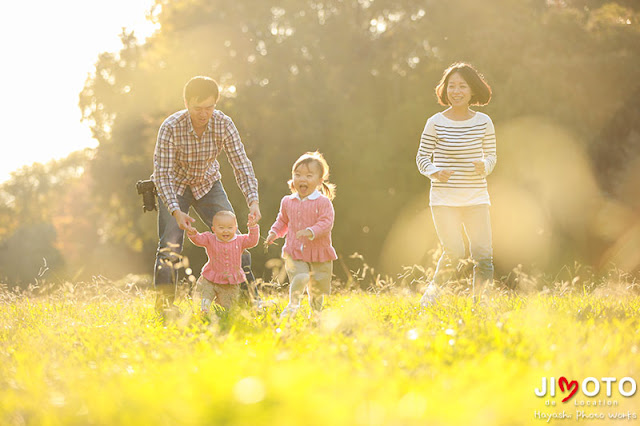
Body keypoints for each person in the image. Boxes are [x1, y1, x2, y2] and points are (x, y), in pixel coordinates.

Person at [151, 76, 261, 315]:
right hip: (175, 186)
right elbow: (162, 174)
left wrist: (253, 201)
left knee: (233, 238)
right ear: (186, 102)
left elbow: (241, 164)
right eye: (198, 108)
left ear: (216, 104)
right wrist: (175, 210)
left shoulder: (223, 124)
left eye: (209, 107)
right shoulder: (171, 126)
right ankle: (165, 307)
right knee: (170, 245)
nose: (204, 114)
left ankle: (250, 300)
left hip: (208, 183)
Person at [416, 62, 497, 306]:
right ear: (445, 90)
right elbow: (421, 158)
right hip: (444, 200)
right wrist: (435, 171)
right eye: (452, 86)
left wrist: (486, 165)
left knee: (483, 255)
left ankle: (480, 303)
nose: (457, 91)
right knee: (454, 252)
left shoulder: (484, 122)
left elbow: (491, 155)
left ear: (472, 90)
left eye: (462, 86)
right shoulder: (435, 122)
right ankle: (430, 297)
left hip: (476, 198)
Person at [265, 152, 337, 317]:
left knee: (318, 287)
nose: (302, 179)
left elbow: (326, 222)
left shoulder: (323, 202)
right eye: (297, 175)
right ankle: (293, 304)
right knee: (301, 275)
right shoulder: (287, 201)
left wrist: (311, 231)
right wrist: (274, 233)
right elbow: (282, 221)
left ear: (320, 181)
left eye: (308, 175)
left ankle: (317, 314)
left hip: (319, 250)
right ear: (292, 178)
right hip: (294, 249)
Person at [186, 211, 259, 312]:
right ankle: (204, 310)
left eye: (230, 228)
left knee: (229, 307)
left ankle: (222, 314)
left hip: (230, 282)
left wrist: (253, 227)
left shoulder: (240, 240)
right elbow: (199, 239)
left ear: (235, 228)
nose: (225, 231)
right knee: (205, 294)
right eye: (221, 228)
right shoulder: (210, 238)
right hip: (210, 278)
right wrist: (193, 234)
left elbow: (252, 241)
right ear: (214, 229)